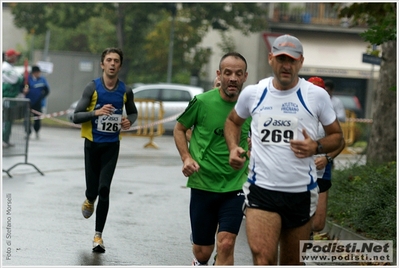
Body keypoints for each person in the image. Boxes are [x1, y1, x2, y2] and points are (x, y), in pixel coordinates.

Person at [224, 34, 345, 265]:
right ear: (271, 59)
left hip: (301, 192)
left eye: (292, 60)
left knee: (292, 263)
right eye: (281, 59)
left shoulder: (316, 95)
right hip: (261, 190)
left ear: (301, 62)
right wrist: (233, 148)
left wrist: (316, 146)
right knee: (263, 258)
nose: (286, 65)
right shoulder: (254, 93)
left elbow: (337, 137)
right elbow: (232, 122)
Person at [173, 52, 251, 266]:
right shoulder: (202, 101)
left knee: (226, 243)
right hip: (203, 183)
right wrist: (186, 158)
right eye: (228, 73)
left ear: (245, 76)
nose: (233, 78)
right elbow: (179, 129)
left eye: (238, 73)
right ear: (219, 74)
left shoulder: (251, 107)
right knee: (203, 252)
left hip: (235, 185)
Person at [73, 47, 138, 253]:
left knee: (105, 189)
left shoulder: (125, 91)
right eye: (108, 60)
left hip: (111, 147)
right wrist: (96, 112)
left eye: (116, 61)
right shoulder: (92, 87)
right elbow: (76, 116)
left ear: (120, 65)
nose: (112, 64)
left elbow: (133, 113)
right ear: (102, 64)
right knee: (93, 191)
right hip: (92, 145)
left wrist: (128, 121)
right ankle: (89, 199)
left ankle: (98, 236)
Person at [307, 77, 346, 234]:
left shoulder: (328, 116)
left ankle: (304, 234)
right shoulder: (296, 112)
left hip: (322, 172)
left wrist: (327, 158)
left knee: (318, 224)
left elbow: (341, 142)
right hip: (298, 172)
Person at [2, 49, 24, 148]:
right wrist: (21, 78)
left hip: (10, 97)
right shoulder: (6, 67)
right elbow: (16, 79)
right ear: (10, 57)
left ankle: (5, 139)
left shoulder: (11, 67)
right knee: (6, 119)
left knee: (9, 119)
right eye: (14, 56)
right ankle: (3, 139)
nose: (16, 58)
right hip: (6, 97)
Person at [24, 65, 50, 139]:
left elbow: (47, 90)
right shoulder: (27, 79)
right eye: (38, 72)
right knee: (27, 119)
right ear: (34, 72)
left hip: (38, 103)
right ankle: (27, 132)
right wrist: (24, 90)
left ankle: (37, 131)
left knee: (37, 119)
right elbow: (22, 88)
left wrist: (41, 97)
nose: (39, 74)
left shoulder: (42, 80)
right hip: (28, 102)